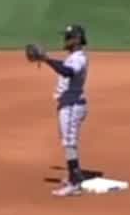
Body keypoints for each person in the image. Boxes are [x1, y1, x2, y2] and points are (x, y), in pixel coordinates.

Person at [32, 24, 91, 196]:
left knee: (69, 142)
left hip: (73, 106)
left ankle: (75, 184)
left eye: (68, 37)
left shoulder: (79, 58)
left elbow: (68, 72)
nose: (64, 40)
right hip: (68, 104)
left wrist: (47, 59)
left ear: (77, 39)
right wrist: (46, 59)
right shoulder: (73, 56)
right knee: (67, 141)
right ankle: (75, 174)